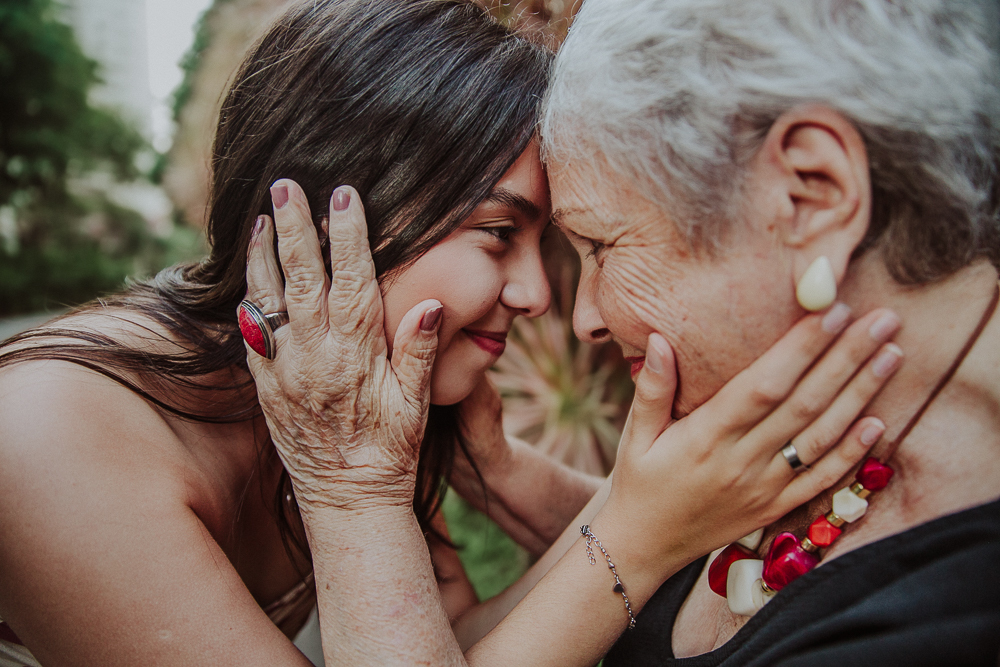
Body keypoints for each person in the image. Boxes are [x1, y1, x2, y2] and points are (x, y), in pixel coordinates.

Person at [0, 1, 899, 666]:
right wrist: (636, 531)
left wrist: (634, 502)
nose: (538, 296)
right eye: (501, 235)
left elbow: (438, 647)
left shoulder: (352, 396)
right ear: (330, 215)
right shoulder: (49, 438)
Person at [241, 0, 1000, 665]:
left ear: (809, 196)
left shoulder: (957, 611)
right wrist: (505, 473)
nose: (583, 317)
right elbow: (678, 521)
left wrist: (352, 493)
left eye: (600, 245)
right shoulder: (809, 408)